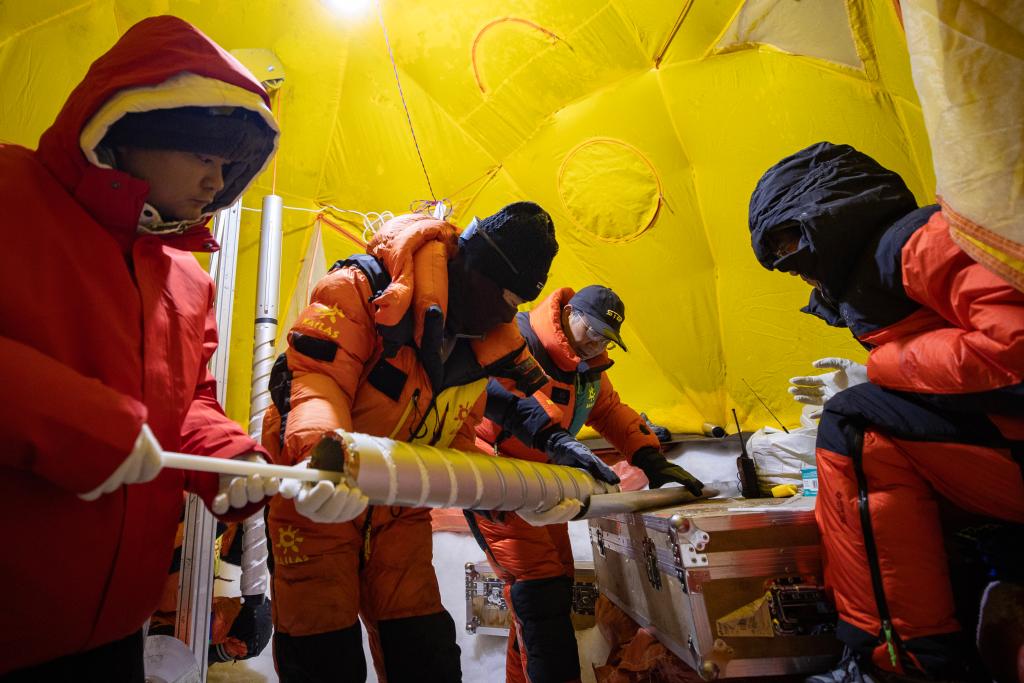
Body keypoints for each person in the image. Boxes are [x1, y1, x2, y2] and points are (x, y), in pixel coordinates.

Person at [0, 15, 286, 680]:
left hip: (114, 629)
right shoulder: (10, 194)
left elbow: (188, 404)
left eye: (227, 166)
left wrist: (230, 459)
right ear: (132, 129)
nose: (217, 182)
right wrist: (76, 423)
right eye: (203, 157)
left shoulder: (187, 276)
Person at [748, 141, 1024, 681]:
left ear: (824, 217)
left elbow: (1012, 345)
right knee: (868, 418)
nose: (791, 268)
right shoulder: (875, 272)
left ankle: (896, 662)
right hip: (1002, 442)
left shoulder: (920, 242)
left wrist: (884, 368)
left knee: (856, 422)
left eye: (787, 244)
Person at [261, 202, 560, 682]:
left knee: (426, 656)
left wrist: (506, 490)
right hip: (318, 500)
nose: (511, 313)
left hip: (400, 515)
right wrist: (325, 460)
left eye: (521, 302)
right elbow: (317, 382)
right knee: (323, 660)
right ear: (473, 266)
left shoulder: (477, 349)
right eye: (509, 296)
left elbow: (456, 441)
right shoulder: (361, 289)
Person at [470, 284, 705, 683]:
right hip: (498, 481)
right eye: (593, 331)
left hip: (544, 486)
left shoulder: (588, 367)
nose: (597, 343)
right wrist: (556, 442)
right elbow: (498, 402)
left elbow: (609, 411)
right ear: (570, 315)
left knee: (554, 587)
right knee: (539, 592)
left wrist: (649, 456)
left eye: (606, 339)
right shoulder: (520, 340)